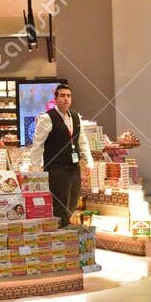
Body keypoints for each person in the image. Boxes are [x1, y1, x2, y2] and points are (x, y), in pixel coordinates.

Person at [24, 84, 92, 225]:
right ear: (55, 98)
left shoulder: (76, 117)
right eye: (62, 95)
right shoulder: (47, 118)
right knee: (60, 206)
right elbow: (37, 145)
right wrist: (36, 169)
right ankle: (61, 238)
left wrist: (89, 161)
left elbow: (83, 142)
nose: (66, 99)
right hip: (56, 169)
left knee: (73, 203)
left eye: (68, 96)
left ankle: (64, 231)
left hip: (74, 168)